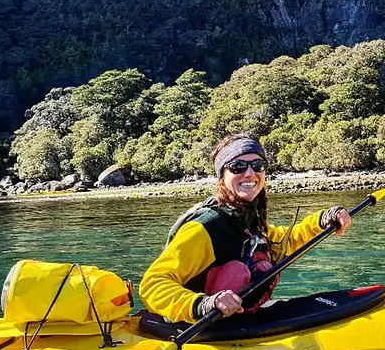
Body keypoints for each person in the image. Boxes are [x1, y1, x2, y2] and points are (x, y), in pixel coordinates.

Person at [140, 133, 352, 323]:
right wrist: (202, 304)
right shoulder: (206, 227)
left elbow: (283, 242)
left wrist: (322, 220)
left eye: (257, 165)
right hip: (198, 330)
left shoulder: (246, 219)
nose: (250, 173)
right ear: (222, 176)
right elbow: (152, 285)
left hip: (237, 322)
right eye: (238, 167)